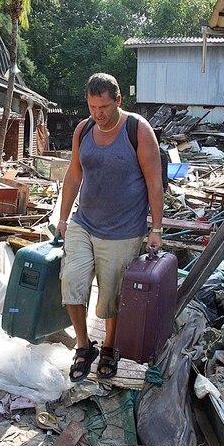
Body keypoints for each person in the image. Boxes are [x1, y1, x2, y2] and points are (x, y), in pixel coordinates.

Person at [56, 73, 164, 382]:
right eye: (92, 107)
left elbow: (155, 182)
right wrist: (63, 218)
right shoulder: (84, 129)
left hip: (123, 231)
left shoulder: (137, 131)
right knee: (72, 284)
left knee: (110, 298)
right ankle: (83, 345)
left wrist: (155, 229)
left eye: (103, 107)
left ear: (118, 101)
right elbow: (74, 175)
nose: (98, 114)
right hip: (84, 223)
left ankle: (108, 347)